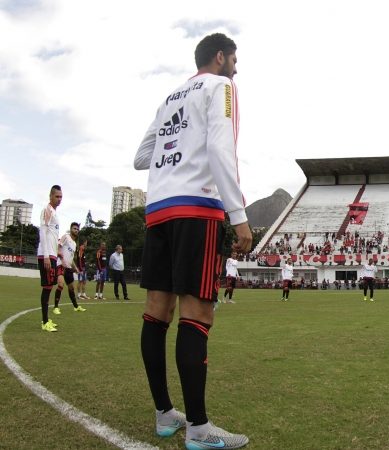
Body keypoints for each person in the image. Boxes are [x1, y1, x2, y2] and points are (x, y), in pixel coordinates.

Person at [134, 33, 252, 448]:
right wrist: (239, 217)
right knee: (198, 312)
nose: (237, 68)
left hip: (158, 210)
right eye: (234, 59)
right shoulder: (222, 87)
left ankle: (165, 415)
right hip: (196, 208)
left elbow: (141, 156)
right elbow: (221, 148)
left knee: (156, 312)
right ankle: (199, 431)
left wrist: (176, 148)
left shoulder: (171, 97)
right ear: (220, 57)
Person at [37, 185, 63, 332]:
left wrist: (56, 251)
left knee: (49, 287)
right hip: (46, 255)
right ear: (51, 196)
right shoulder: (47, 210)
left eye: (61, 197)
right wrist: (46, 255)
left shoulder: (54, 213)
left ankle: (46, 319)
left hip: (52, 254)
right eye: (57, 196)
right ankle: (45, 322)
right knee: (46, 288)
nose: (59, 199)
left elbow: (52, 235)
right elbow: (43, 232)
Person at [53, 222, 86, 314]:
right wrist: (60, 256)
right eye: (74, 228)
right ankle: (56, 307)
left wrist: (76, 268)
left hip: (68, 268)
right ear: (71, 229)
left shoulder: (74, 244)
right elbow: (58, 246)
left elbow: (71, 259)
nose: (76, 230)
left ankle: (76, 306)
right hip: (60, 265)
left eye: (77, 229)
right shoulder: (65, 237)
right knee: (60, 285)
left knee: (71, 288)